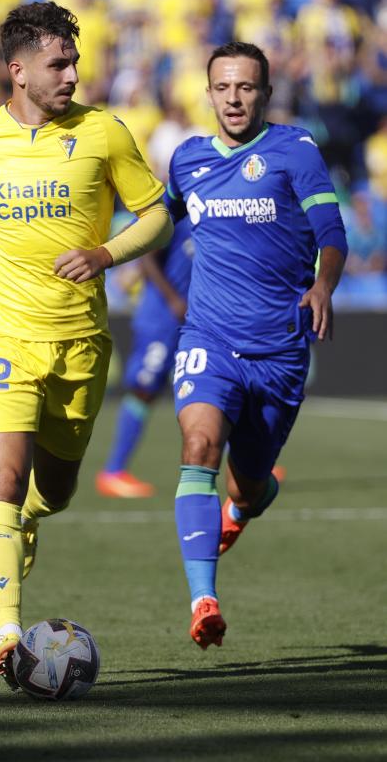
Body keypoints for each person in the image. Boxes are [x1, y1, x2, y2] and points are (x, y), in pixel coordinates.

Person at [0, 1, 173, 689]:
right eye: (59, 63)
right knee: (0, 482)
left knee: (56, 490)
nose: (73, 73)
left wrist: (106, 254)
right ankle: (9, 636)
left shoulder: (105, 133)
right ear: (18, 71)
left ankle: (30, 521)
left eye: (74, 61)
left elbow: (158, 215)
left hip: (78, 343)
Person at [165, 41, 347, 650]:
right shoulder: (187, 160)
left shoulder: (294, 151)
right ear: (209, 92)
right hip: (209, 337)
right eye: (223, 87)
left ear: (265, 93)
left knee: (247, 485)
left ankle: (245, 506)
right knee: (198, 445)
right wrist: (106, 253)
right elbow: (157, 220)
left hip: (279, 351)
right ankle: (203, 600)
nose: (235, 98)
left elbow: (331, 231)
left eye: (246, 87)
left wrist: (323, 284)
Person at [96, 215, 193, 498]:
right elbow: (148, 257)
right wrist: (174, 299)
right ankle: (113, 471)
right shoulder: (178, 207)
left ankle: (249, 467)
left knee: (208, 390)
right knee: (143, 392)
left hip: (192, 318)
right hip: (161, 321)